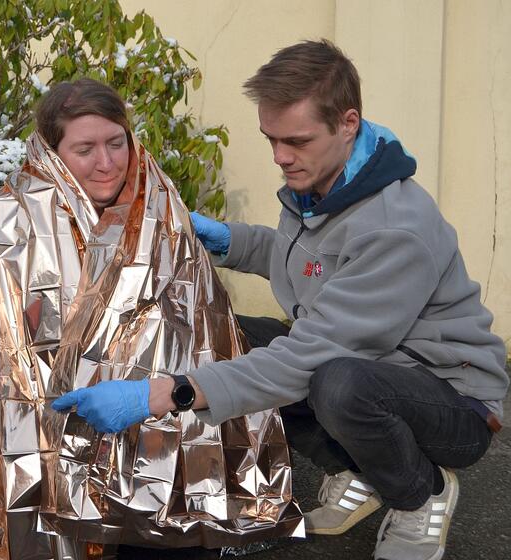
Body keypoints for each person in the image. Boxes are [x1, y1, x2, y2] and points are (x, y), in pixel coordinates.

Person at [51, 40, 509, 560]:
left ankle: (419, 492)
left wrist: (161, 394)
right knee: (228, 339)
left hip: (450, 399)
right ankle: (360, 472)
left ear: (348, 122)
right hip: (367, 356)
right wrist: (229, 240)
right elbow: (313, 263)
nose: (280, 156)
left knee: (337, 384)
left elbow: (306, 358)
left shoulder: (393, 227)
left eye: (295, 140)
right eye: (271, 139)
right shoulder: (324, 182)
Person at [0, 77, 301, 560]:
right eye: (85, 149)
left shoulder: (162, 209)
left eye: (115, 143)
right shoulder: (9, 218)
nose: (106, 162)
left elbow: (198, 324)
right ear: (52, 151)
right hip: (49, 425)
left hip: (158, 429)